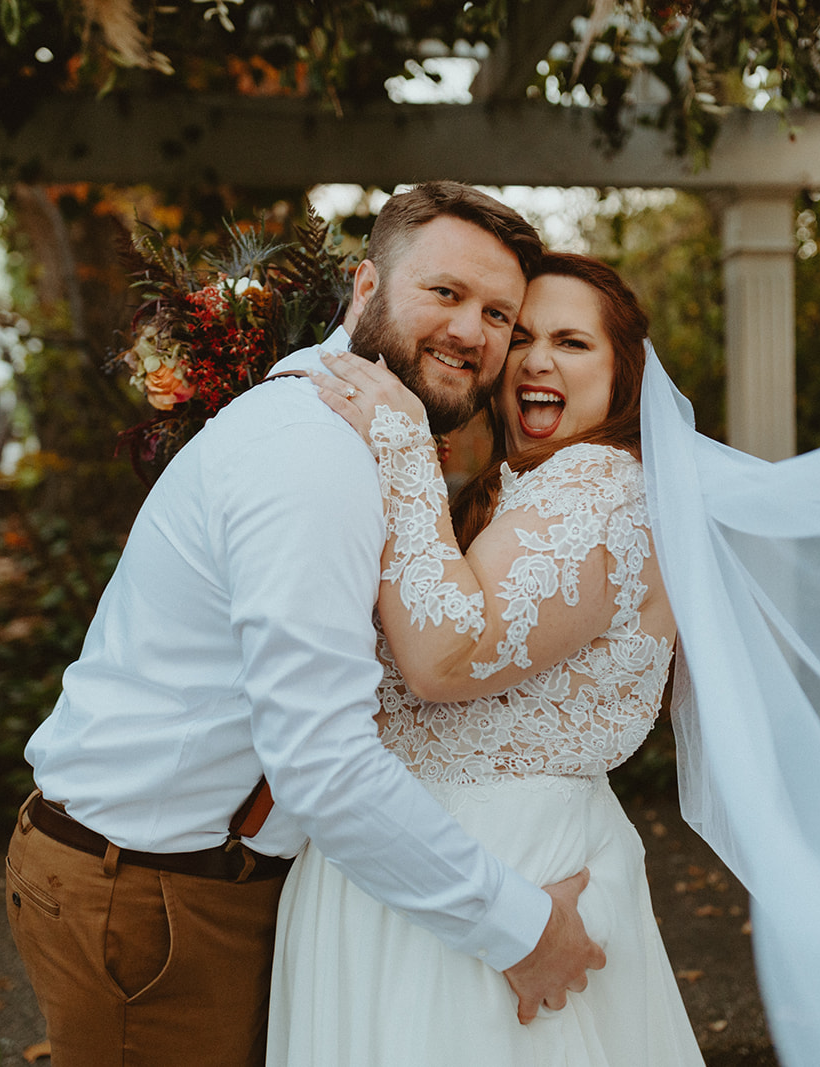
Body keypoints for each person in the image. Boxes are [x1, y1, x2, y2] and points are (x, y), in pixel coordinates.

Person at [4, 183, 605, 1067]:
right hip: (148, 897)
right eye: (444, 293)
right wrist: (519, 929)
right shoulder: (311, 455)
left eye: (498, 315)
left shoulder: (363, 437)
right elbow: (323, 760)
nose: (474, 333)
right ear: (365, 288)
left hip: (196, 882)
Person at [277, 252, 704, 1065]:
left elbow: (445, 656)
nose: (538, 359)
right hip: (417, 861)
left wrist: (401, 446)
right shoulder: (517, 490)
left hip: (505, 868)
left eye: (573, 343)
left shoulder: (603, 485)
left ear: (624, 377)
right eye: (526, 338)